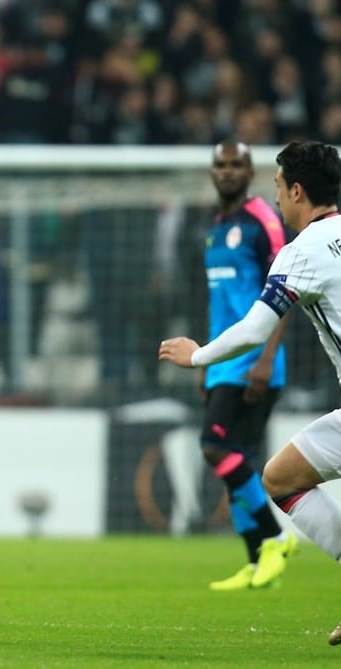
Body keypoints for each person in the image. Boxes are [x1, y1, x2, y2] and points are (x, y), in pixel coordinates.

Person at [159, 140, 341, 643]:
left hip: (246, 371)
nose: (277, 199)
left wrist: (195, 354)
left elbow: (255, 330)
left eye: (280, 189)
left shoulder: (299, 250)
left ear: (298, 191)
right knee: (280, 476)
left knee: (258, 467)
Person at [197, 140, 298, 591]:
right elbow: (219, 303)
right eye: (221, 164)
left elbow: (286, 290)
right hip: (224, 362)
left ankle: (277, 538)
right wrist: (207, 363)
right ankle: (259, 561)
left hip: (253, 361)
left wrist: (268, 357)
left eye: (237, 164)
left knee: (216, 449)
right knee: (236, 461)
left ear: (250, 171)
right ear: (212, 171)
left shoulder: (263, 220)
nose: (228, 171)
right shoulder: (215, 227)